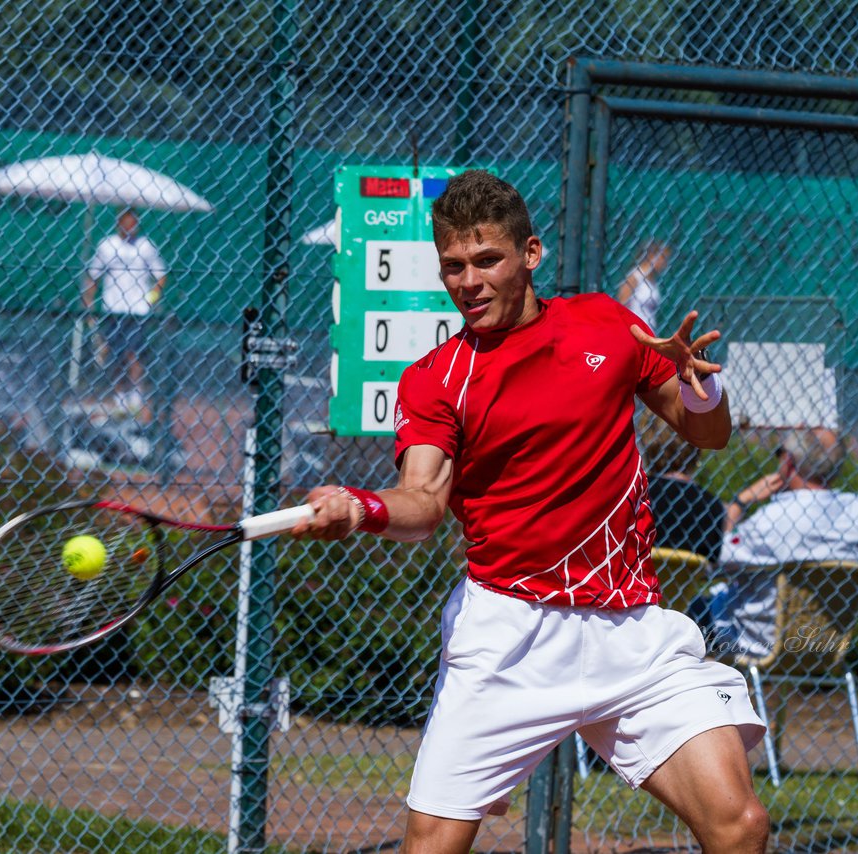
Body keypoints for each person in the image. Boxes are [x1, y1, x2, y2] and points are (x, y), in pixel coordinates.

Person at [293, 171, 768, 854]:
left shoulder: (608, 321)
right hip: (506, 637)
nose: (469, 281)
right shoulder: (435, 379)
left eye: (487, 260)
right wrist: (361, 507)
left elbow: (709, 434)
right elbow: (424, 503)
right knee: (430, 845)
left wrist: (699, 390)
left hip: (630, 629)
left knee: (739, 824)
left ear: (530, 255)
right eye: (453, 265)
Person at [709, 428, 858, 659]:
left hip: (756, 641)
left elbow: (713, 560)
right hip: (827, 645)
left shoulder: (774, 518)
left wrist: (738, 504)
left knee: (688, 611)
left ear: (788, 461)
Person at [82, 207, 168, 415]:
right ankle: (120, 397)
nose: (130, 227)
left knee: (134, 354)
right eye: (126, 222)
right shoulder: (107, 246)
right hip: (112, 310)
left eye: (134, 223)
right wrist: (89, 305)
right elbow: (93, 277)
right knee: (117, 355)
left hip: (137, 311)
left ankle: (136, 397)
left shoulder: (146, 246)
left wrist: (150, 299)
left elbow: (161, 276)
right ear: (118, 224)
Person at [646, 426, 724, 562]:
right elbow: (712, 561)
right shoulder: (712, 506)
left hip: (634, 580)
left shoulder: (636, 492)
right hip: (688, 582)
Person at [616, 240, 671, 325]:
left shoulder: (653, 282)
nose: (664, 263)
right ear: (651, 255)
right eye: (662, 258)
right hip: (633, 331)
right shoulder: (635, 276)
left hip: (648, 333)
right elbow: (620, 305)